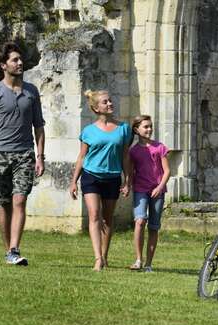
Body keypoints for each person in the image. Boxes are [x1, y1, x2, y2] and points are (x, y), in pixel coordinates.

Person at [0, 42, 46, 266]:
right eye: (15, 60)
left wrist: (40, 156)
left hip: (25, 154)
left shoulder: (32, 91)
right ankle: (8, 251)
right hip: (0, 155)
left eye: (20, 60)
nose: (20, 64)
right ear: (3, 65)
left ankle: (15, 249)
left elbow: (39, 126)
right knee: (5, 203)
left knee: (20, 200)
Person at [69, 90, 131, 271]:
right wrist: (74, 181)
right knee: (95, 214)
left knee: (107, 218)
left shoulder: (123, 129)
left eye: (110, 101)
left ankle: (104, 256)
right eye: (105, 102)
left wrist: (127, 181)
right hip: (91, 176)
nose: (110, 104)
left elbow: (125, 156)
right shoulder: (88, 131)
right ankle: (97, 258)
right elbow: (81, 157)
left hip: (112, 177)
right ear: (96, 108)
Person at [129, 115, 170, 272]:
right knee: (140, 221)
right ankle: (138, 259)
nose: (149, 129)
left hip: (157, 191)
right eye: (145, 126)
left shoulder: (160, 147)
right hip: (140, 190)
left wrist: (160, 187)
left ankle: (149, 264)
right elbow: (130, 172)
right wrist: (127, 185)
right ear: (136, 130)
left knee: (153, 227)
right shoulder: (133, 151)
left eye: (150, 126)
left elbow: (167, 171)